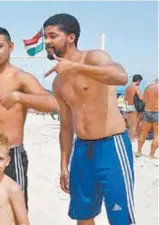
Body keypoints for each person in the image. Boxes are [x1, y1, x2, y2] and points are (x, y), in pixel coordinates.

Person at [43, 13, 135, 224]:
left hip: (111, 146)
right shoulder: (58, 83)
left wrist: (75, 67)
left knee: (120, 217)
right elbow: (66, 126)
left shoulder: (95, 57)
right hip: (82, 150)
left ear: (70, 37)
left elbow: (120, 76)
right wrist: (63, 165)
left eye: (52, 35)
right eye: (45, 36)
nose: (47, 41)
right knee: (83, 215)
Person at [0, 26, 58, 209]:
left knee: (15, 210)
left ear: (11, 47)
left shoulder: (20, 78)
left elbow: (53, 103)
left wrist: (19, 97)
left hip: (10, 153)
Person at [137, 79, 158, 158]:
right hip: (157, 112)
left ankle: (139, 151)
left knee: (143, 133)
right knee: (157, 135)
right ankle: (151, 155)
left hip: (148, 111)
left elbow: (143, 99)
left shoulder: (148, 88)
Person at [125, 74, 144, 140]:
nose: (140, 83)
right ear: (138, 80)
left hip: (127, 106)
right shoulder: (136, 87)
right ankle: (133, 138)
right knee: (134, 124)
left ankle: (131, 137)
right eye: (140, 82)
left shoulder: (127, 87)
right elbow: (141, 97)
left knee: (130, 124)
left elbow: (125, 98)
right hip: (134, 106)